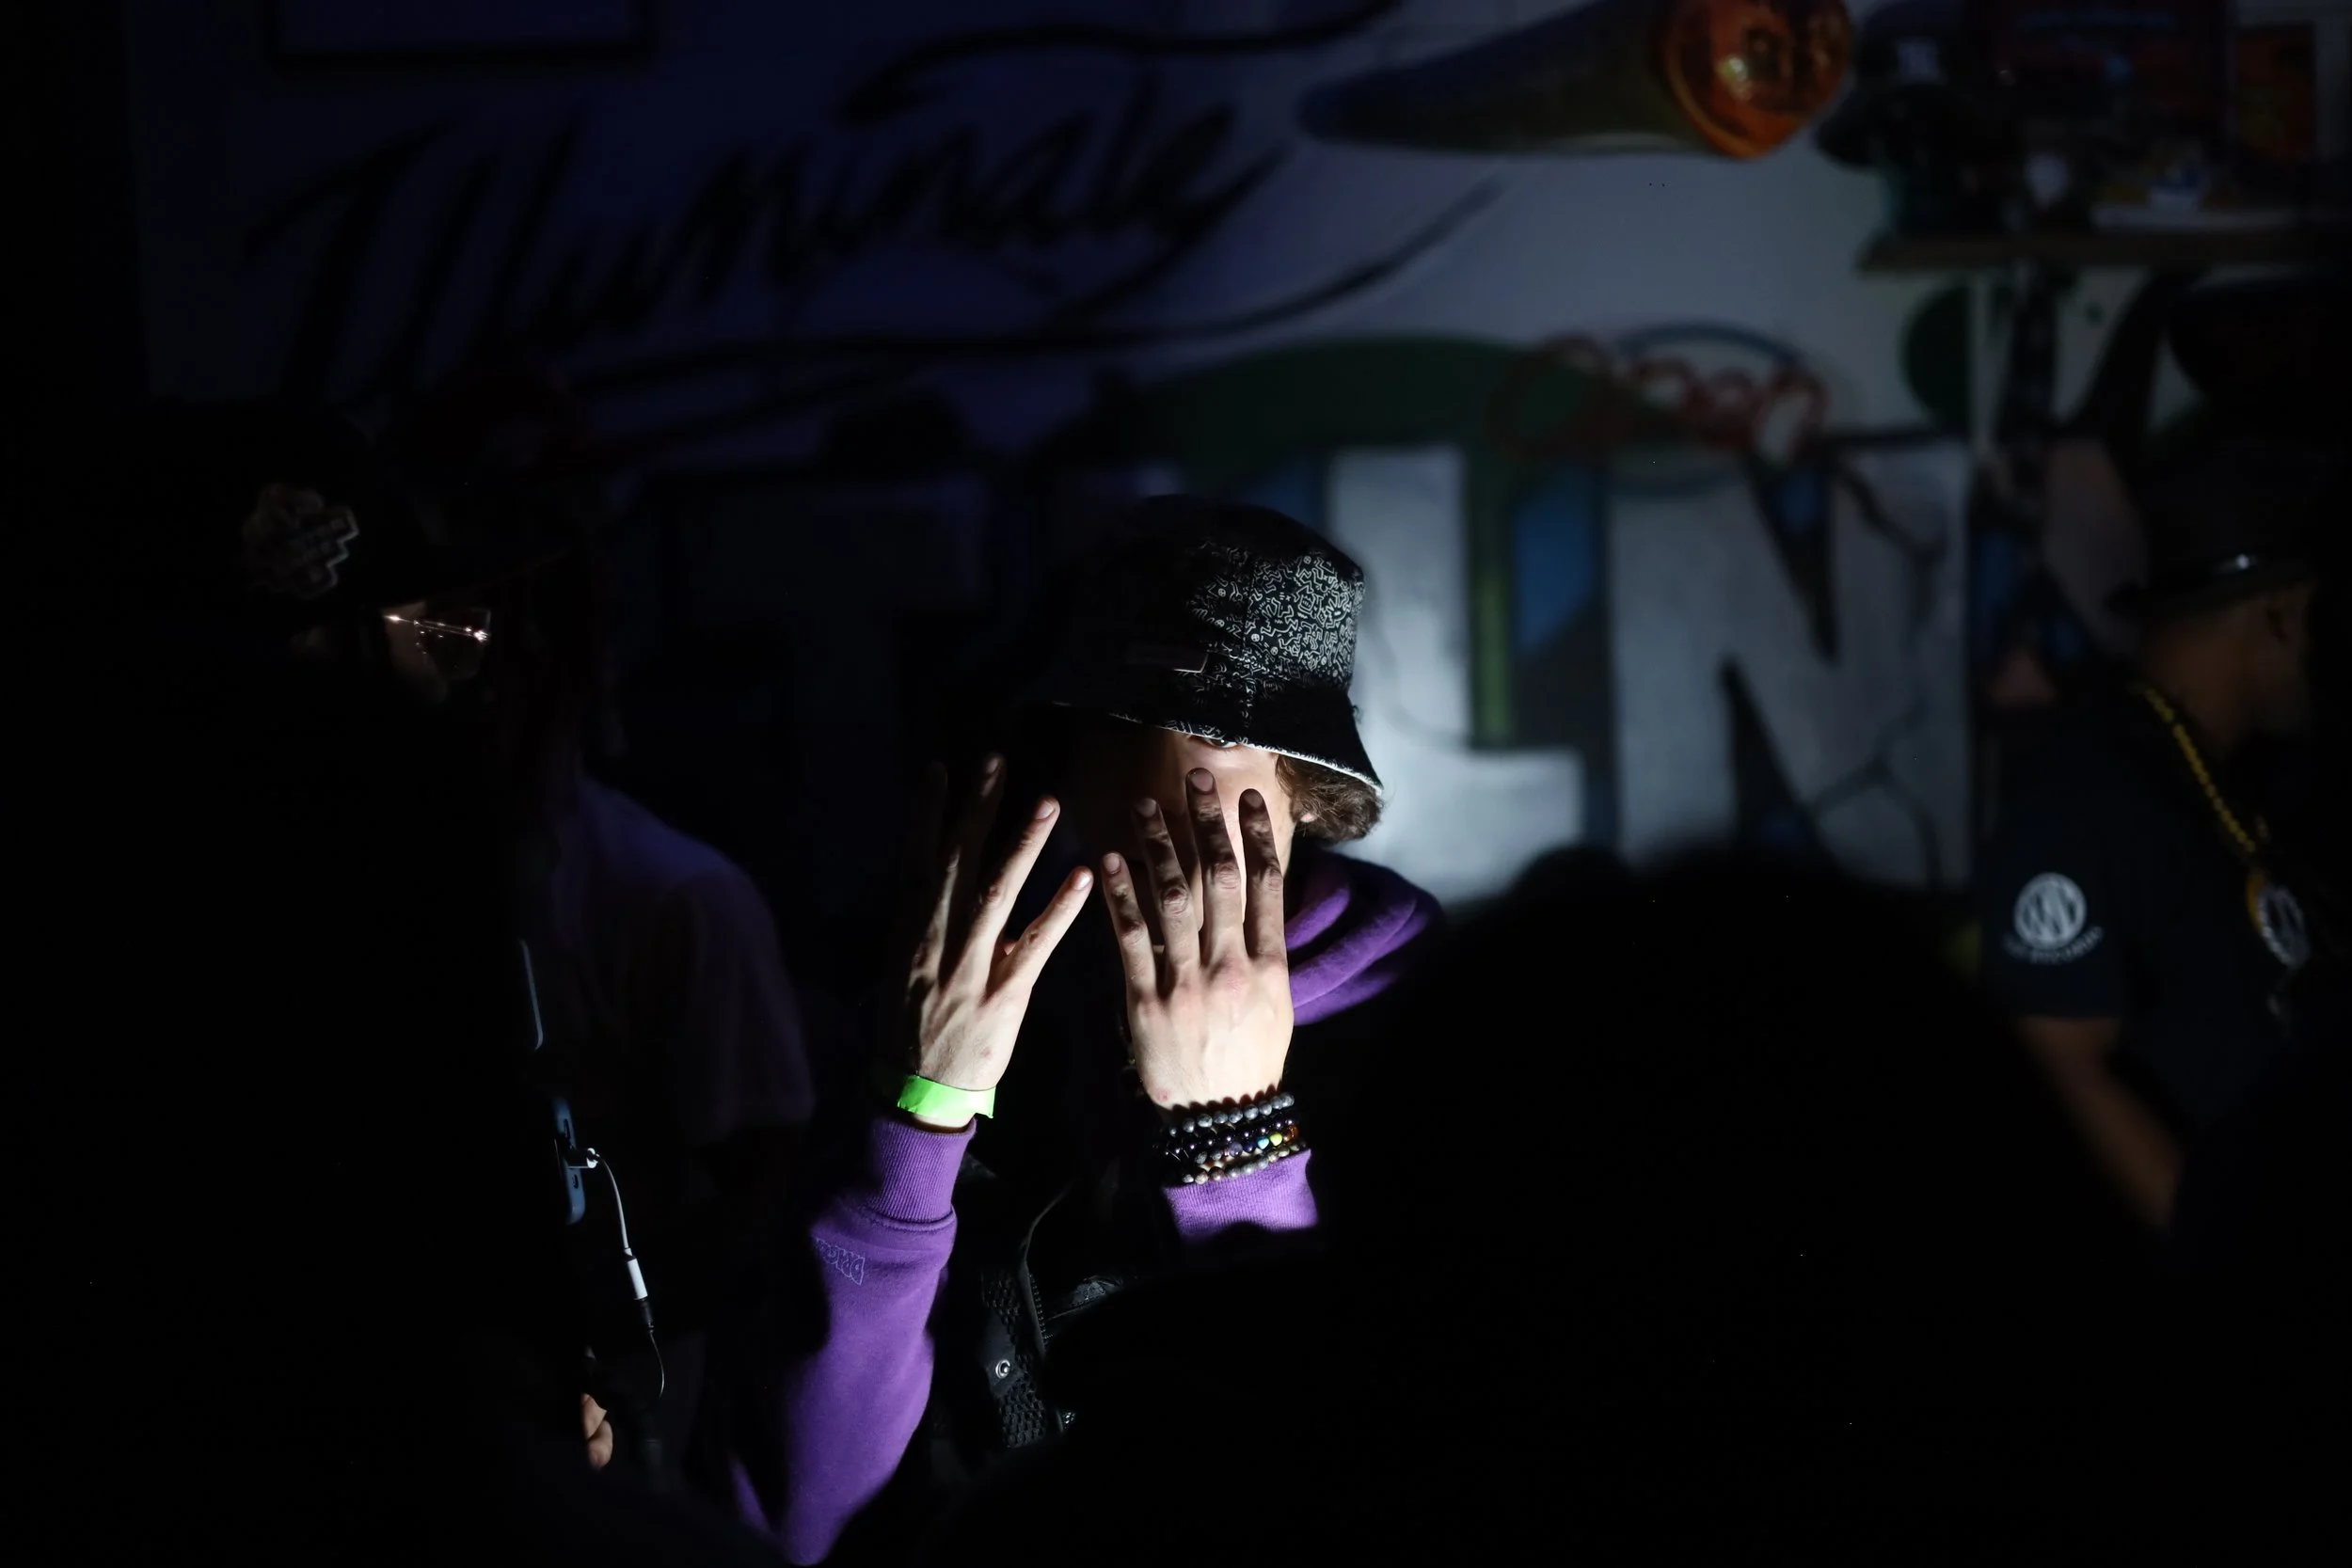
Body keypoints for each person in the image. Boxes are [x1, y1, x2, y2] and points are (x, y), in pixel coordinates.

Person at [752, 497, 1440, 1564]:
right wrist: (915, 1122)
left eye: (1216, 735)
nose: (1143, 783)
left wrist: (1234, 1143)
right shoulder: (979, 1010)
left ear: (1305, 790)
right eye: (1104, 730)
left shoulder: (1428, 1037)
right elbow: (798, 1522)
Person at [378, 369, 820, 1492]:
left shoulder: (675, 897)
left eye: (520, 616)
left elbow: (765, 1195)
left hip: (619, 1416)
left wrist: (594, 1342)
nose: (475, 658)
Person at [1975, 440, 2336, 1230]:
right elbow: (2055, 1065)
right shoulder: (2086, 789)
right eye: (2318, 613)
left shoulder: (2229, 777)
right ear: (2278, 615)